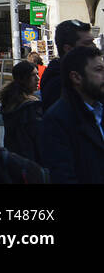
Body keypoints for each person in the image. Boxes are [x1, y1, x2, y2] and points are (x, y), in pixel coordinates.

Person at [38, 44, 104, 184]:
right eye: (99, 70)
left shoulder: (99, 109)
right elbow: (62, 175)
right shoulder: (57, 120)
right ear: (76, 77)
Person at [41, 19, 94, 110]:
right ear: (68, 49)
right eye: (87, 43)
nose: (94, 47)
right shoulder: (56, 82)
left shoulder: (80, 71)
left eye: (92, 41)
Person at [0, 61, 42, 162]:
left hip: (14, 158)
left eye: (37, 74)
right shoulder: (30, 107)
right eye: (33, 75)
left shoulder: (9, 101)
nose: (37, 78)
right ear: (23, 79)